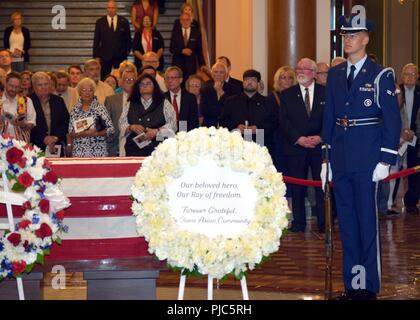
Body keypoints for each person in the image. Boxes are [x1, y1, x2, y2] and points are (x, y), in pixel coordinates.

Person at [321, 14, 401, 300]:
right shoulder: (335, 74)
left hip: (368, 160)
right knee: (348, 224)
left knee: (367, 224)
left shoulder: (381, 75)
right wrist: (325, 159)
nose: (348, 40)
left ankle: (368, 287)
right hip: (341, 158)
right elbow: (329, 116)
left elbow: (392, 121)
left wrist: (385, 160)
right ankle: (352, 285)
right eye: (345, 36)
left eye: (353, 35)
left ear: (366, 39)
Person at [279, 58, 326, 234]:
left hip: (318, 147)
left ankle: (323, 223)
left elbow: (331, 119)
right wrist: (298, 138)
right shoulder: (287, 94)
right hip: (296, 148)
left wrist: (321, 137)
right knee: (297, 187)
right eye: (298, 68)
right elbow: (284, 121)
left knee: (321, 186)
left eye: (305, 69)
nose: (300, 71)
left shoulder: (325, 92)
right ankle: (298, 223)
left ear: (314, 73)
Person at [220, 69, 278, 156]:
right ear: (243, 82)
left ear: (258, 83)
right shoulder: (231, 101)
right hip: (236, 143)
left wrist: (258, 129)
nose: (249, 82)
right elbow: (222, 121)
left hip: (260, 143)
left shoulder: (267, 102)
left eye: (253, 80)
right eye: (247, 79)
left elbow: (274, 122)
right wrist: (236, 127)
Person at [122, 73, 176, 156]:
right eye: (142, 84)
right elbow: (121, 123)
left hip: (158, 150)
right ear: (138, 87)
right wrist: (131, 127)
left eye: (148, 83)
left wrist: (157, 131)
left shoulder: (164, 103)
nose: (145, 86)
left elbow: (173, 125)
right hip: (133, 149)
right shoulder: (130, 103)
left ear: (155, 86)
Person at [67, 77, 114, 157]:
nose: (87, 93)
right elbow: (70, 132)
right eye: (84, 90)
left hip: (98, 152)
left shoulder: (100, 108)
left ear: (94, 92)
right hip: (79, 152)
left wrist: (97, 133)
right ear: (79, 92)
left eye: (90, 90)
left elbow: (111, 130)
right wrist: (84, 133)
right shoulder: (74, 110)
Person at [29, 72, 69, 154]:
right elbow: (28, 125)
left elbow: (65, 122)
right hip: (35, 147)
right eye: (40, 85)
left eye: (46, 84)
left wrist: (55, 138)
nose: (43, 87)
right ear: (34, 86)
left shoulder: (58, 101)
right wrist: (44, 138)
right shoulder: (28, 101)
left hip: (56, 145)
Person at [93, 0, 131, 80]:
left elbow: (128, 39)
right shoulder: (100, 22)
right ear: (106, 9)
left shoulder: (124, 21)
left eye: (113, 7)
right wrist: (96, 56)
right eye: (109, 8)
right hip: (105, 56)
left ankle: (119, 92)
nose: (111, 9)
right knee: (104, 78)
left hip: (120, 56)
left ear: (116, 8)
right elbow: (96, 40)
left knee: (120, 78)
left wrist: (126, 52)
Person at [400, 63, 419, 215]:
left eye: (413, 74)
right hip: (398, 137)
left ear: (417, 77)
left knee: (414, 170)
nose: (410, 77)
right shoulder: (395, 90)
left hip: (416, 138)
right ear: (402, 75)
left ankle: (411, 203)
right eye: (407, 74)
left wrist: (414, 132)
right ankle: (389, 204)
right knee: (394, 171)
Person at [105, 66, 137, 156]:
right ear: (121, 83)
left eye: (132, 79)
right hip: (114, 145)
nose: (129, 81)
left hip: (136, 145)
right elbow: (106, 124)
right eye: (127, 79)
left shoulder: (142, 100)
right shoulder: (111, 100)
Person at [200, 62, 241, 128]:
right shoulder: (205, 89)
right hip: (209, 126)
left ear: (226, 74)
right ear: (212, 74)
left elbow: (233, 109)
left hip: (227, 126)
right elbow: (204, 110)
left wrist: (221, 92)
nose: (218, 75)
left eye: (221, 72)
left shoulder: (235, 89)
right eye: (216, 72)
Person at [0, 72, 36, 143]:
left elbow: (32, 123)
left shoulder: (27, 101)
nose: (13, 89)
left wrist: (22, 124)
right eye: (11, 86)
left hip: (21, 144)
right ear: (5, 83)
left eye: (16, 87)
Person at [169, 12, 205, 82]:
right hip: (178, 64)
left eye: (187, 20)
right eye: (183, 20)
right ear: (180, 21)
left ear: (191, 20)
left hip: (190, 65)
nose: (185, 22)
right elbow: (172, 49)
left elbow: (199, 50)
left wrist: (202, 64)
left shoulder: (196, 32)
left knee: (190, 84)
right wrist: (182, 51)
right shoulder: (175, 32)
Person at [163, 66, 199, 132]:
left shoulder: (190, 98)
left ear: (181, 80)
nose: (170, 81)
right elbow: (159, 122)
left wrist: (183, 135)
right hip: (166, 135)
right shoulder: (162, 98)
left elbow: (193, 121)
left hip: (185, 135)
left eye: (173, 78)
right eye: (167, 78)